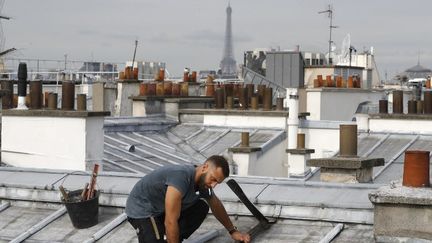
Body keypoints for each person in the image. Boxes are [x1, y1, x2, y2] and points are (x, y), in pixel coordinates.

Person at [125, 155, 251, 243]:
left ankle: (171, 238)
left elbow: (215, 204)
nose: (213, 185)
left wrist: (232, 231)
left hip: (161, 209)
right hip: (143, 210)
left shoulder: (203, 183)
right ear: (204, 167)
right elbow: (170, 221)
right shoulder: (181, 178)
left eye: (217, 182)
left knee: (201, 207)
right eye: (213, 179)